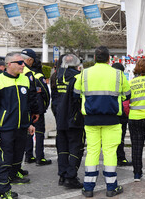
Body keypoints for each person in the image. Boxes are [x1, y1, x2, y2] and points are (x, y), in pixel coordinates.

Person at [74, 46, 131, 198]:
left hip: (91, 119)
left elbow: (76, 93)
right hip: (112, 119)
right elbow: (127, 94)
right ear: (109, 59)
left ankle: (88, 188)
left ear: (94, 58)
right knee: (110, 152)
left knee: (92, 151)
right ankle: (111, 187)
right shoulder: (118, 74)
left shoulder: (84, 73)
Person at [0, 52, 39, 199]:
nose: (23, 65)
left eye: (23, 62)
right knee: (5, 160)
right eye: (20, 63)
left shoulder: (25, 80)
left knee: (17, 156)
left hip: (21, 127)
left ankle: (14, 176)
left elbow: (27, 104)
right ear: (9, 64)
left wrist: (29, 123)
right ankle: (3, 189)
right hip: (5, 128)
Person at [55, 54, 84, 189]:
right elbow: (78, 98)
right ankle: (71, 177)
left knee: (62, 148)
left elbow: (54, 98)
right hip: (74, 118)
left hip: (60, 117)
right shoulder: (78, 77)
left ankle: (62, 175)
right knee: (76, 148)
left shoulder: (56, 76)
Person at [21, 49, 52, 166]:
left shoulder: (20, 72)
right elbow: (45, 93)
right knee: (39, 132)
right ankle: (40, 157)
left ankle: (28, 156)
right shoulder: (37, 75)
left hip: (25, 108)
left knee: (28, 132)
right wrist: (45, 105)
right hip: (37, 108)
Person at [111, 62, 133, 167]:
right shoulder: (122, 79)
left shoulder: (107, 80)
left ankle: (112, 158)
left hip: (108, 113)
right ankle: (121, 158)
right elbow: (128, 95)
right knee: (120, 137)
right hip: (120, 113)